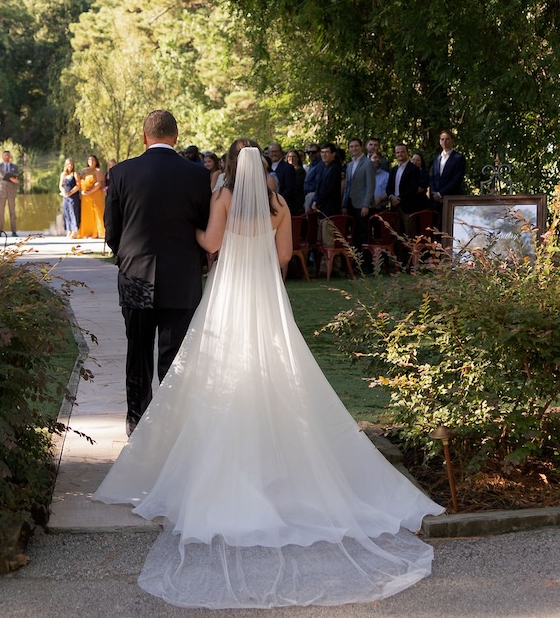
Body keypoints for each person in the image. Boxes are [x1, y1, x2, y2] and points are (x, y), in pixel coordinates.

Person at [93, 142, 444, 609]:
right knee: (278, 369)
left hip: (228, 293)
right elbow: (284, 258)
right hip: (264, 295)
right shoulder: (279, 206)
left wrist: (189, 233)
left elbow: (212, 244)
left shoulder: (222, 198)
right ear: (265, 172)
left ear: (235, 172)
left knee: (215, 373)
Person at [103, 110, 211, 435]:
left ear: (143, 136)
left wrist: (128, 259)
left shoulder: (121, 173)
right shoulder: (197, 175)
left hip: (135, 276)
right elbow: (204, 227)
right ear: (176, 137)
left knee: (137, 354)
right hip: (181, 279)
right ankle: (171, 428)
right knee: (175, 358)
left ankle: (137, 425)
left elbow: (112, 232)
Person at [342, 137, 375, 252]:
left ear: (361, 147)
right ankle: (357, 262)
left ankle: (367, 263)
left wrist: (366, 205)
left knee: (363, 233)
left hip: (362, 205)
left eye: (356, 146)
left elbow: (370, 186)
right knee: (354, 234)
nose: (354, 148)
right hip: (351, 203)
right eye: (351, 146)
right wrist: (344, 204)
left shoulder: (368, 164)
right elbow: (347, 186)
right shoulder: (350, 165)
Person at [429, 130, 466, 218]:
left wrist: (441, 194)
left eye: (447, 139)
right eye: (442, 139)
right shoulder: (437, 158)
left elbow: (456, 180)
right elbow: (432, 177)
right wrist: (435, 193)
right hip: (436, 201)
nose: (444, 142)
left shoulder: (459, 158)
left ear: (452, 141)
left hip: (451, 198)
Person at [76, 155, 105, 238]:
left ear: (96, 162)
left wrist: (90, 191)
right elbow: (79, 180)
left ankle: (97, 232)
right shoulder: (84, 171)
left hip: (95, 194)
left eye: (93, 160)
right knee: (87, 214)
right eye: (89, 160)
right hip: (85, 196)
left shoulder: (97, 171)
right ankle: (88, 232)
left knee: (96, 212)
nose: (91, 162)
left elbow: (99, 183)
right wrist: (82, 190)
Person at [0, 149, 20, 236]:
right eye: (5, 155)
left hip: (11, 192)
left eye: (8, 155)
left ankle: (14, 231)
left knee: (12, 212)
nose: (7, 157)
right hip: (1, 192)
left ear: (10, 156)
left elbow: (17, 179)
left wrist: (15, 181)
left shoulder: (14, 167)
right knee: (0, 212)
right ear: (3, 157)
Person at [267, 142, 296, 212]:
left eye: (276, 151)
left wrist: (277, 201)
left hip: (284, 205)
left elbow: (290, 188)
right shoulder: (267, 167)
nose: (274, 154)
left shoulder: (288, 168)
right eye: (272, 152)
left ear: (281, 152)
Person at [59, 158, 80, 237]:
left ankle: (75, 231)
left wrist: (71, 192)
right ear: (66, 165)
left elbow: (78, 185)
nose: (70, 165)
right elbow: (61, 185)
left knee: (73, 213)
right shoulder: (63, 174)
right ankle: (69, 230)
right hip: (65, 196)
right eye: (68, 164)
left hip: (73, 196)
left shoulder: (75, 174)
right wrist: (64, 192)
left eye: (71, 164)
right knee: (66, 213)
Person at [286, 148, 305, 215]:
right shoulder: (285, 171)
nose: (292, 158)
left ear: (298, 158)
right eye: (290, 156)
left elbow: (298, 185)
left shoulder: (301, 171)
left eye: (294, 157)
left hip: (297, 200)